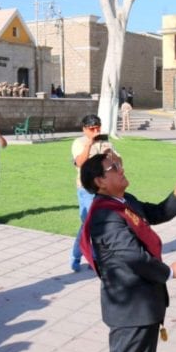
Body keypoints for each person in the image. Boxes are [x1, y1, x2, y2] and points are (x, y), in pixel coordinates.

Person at [79, 153, 176, 352]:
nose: (121, 169)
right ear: (100, 181)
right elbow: (131, 256)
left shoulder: (123, 201)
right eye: (114, 167)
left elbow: (152, 213)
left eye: (119, 164)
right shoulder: (104, 216)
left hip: (146, 304)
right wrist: (168, 272)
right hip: (130, 307)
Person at [70, 114, 120, 272]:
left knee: (98, 224)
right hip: (86, 189)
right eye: (92, 128)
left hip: (103, 188)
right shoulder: (79, 142)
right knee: (88, 224)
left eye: (98, 128)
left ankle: (94, 258)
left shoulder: (106, 142)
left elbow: (119, 164)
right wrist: (90, 144)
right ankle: (78, 256)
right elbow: (79, 162)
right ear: (84, 129)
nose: (96, 131)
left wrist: (111, 155)